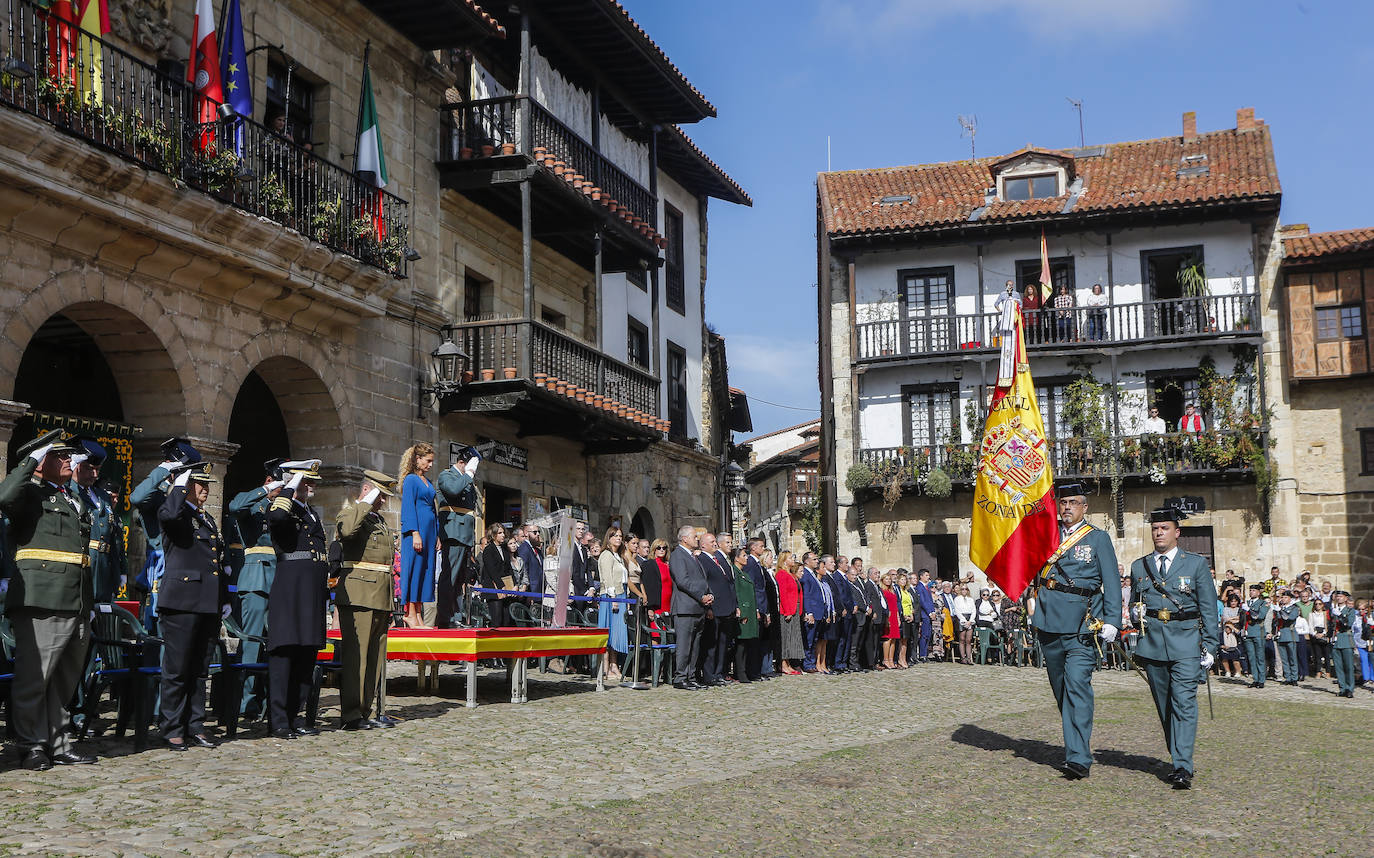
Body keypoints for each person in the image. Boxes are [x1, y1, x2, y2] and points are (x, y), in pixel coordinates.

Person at [0, 431, 98, 770]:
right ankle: (31, 745)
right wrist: (30, 461)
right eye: (61, 455)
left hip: (76, 598)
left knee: (64, 678)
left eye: (70, 455)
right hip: (42, 597)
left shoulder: (72, 498)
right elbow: (3, 496)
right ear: (42, 462)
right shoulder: (27, 493)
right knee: (35, 677)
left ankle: (58, 742)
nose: (71, 460)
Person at [1031, 482, 1121, 781]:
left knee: (1077, 688)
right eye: (1063, 502)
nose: (1066, 507)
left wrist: (1112, 620)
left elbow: (1111, 580)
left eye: (1073, 502)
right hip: (1048, 621)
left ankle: (1078, 758)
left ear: (1084, 507)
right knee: (1062, 691)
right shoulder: (1047, 533)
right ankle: (1076, 742)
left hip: (1082, 625)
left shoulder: (1097, 539)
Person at [1128, 507, 1219, 790]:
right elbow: (1134, 602)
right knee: (1165, 705)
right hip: (1153, 643)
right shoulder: (1139, 566)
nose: (1158, 533)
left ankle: (1182, 765)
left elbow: (1208, 608)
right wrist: (1134, 612)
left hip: (1187, 643)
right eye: (1155, 529)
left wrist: (1211, 646)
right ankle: (1177, 754)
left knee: (1184, 703)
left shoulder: (1195, 564)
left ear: (1176, 532)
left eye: (1164, 528)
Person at [157, 462, 230, 751]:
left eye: (206, 484)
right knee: (177, 668)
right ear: (185, 486)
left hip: (207, 602)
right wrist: (178, 485)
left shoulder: (206, 519)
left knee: (200, 669)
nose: (205, 489)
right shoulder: (175, 512)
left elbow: (215, 565)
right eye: (198, 484)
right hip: (182, 601)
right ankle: (172, 727)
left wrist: (224, 599)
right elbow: (169, 513)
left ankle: (194, 724)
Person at [266, 460, 329, 740]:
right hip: (290, 590)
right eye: (307, 481)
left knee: (306, 654)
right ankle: (278, 720)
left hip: (311, 590)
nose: (312, 486)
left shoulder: (311, 513)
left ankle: (295, 715)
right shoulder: (282, 507)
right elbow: (278, 519)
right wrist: (289, 487)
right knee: (285, 655)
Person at [335, 470, 398, 730]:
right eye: (379, 495)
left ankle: (365, 711)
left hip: (381, 596)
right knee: (356, 658)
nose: (383, 500)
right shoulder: (350, 512)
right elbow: (347, 531)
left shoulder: (379, 520)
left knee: (374, 658)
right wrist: (364, 503)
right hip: (359, 595)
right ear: (367, 490)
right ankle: (351, 714)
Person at [227, 459, 284, 721]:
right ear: (270, 480)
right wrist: (265, 491)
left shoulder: (283, 508)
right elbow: (235, 506)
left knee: (276, 644)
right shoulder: (253, 502)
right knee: (251, 643)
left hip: (280, 579)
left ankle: (269, 700)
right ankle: (245, 703)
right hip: (257, 576)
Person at [131, 438, 202, 631]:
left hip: (184, 568)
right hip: (163, 570)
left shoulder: (185, 495)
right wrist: (164, 469)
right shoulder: (157, 495)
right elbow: (136, 497)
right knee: (159, 631)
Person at [69, 439, 126, 604]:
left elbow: (113, 538)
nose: (94, 475)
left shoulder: (101, 496)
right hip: (83, 567)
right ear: (76, 465)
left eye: (97, 470)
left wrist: (118, 572)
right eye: (89, 469)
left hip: (104, 569)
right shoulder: (68, 492)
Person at [435, 446, 480, 628]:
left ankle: (456, 616)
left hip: (465, 535)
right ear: (462, 462)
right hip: (453, 532)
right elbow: (453, 490)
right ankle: (445, 618)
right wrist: (468, 474)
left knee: (460, 579)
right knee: (450, 577)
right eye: (470, 467)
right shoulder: (447, 475)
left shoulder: (466, 480)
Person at [397, 442, 437, 629]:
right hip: (417, 532)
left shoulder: (427, 482)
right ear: (417, 459)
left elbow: (433, 509)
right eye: (427, 461)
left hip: (429, 533)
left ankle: (418, 614)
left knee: (425, 572)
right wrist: (414, 533)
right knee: (414, 571)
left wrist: (436, 534)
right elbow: (408, 508)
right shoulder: (411, 480)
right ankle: (410, 613)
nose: (430, 465)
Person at [669, 526, 711, 690]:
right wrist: (701, 595)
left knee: (695, 647)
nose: (697, 539)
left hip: (698, 608)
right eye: (694, 536)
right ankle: (680, 677)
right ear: (684, 538)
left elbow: (703, 580)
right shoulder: (678, 555)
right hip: (685, 607)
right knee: (684, 646)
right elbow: (683, 581)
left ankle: (691, 676)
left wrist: (709, 594)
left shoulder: (693, 557)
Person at [696, 532, 736, 685]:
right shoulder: (701, 560)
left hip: (726, 608)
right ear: (703, 544)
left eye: (715, 541)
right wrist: (708, 608)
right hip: (714, 607)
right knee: (711, 644)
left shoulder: (717, 559)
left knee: (722, 644)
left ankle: (719, 673)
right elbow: (704, 583)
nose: (714, 544)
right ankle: (709, 674)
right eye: (711, 541)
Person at [597, 526, 631, 680]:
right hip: (612, 595)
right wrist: (613, 598)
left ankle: (614, 664)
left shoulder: (620, 557)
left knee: (617, 632)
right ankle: (605, 668)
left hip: (622, 594)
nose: (618, 538)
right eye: (615, 535)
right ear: (609, 538)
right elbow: (607, 576)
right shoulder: (606, 555)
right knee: (609, 632)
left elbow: (625, 579)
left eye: (620, 536)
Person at [731, 547, 760, 681]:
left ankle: (747, 671)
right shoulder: (735, 572)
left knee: (748, 643)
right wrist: (740, 610)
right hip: (743, 610)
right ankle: (740, 672)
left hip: (750, 610)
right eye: (743, 555)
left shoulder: (744, 573)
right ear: (736, 558)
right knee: (741, 644)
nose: (747, 557)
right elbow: (736, 592)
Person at [478, 522, 512, 629]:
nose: (503, 535)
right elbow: (491, 570)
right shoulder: (488, 550)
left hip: (506, 588)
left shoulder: (505, 549)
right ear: (493, 535)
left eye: (503, 533)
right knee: (497, 620)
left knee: (506, 620)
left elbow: (508, 568)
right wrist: (501, 585)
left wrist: (513, 584)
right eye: (500, 533)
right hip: (494, 588)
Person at [799, 552, 828, 673]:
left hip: (819, 612)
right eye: (814, 559)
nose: (817, 561)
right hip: (812, 612)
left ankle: (811, 662)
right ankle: (807, 663)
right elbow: (806, 595)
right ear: (807, 561)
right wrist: (809, 612)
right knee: (809, 639)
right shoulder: (805, 575)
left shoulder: (812, 575)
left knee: (814, 639)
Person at [775, 551, 802, 674]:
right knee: (786, 638)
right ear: (784, 560)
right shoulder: (781, 574)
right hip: (787, 610)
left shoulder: (790, 574)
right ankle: (783, 664)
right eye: (791, 558)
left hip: (794, 609)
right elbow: (783, 595)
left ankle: (788, 663)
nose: (793, 559)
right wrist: (787, 611)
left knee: (792, 637)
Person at [1330, 591, 1358, 697]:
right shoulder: (1333, 610)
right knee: (1338, 667)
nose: (1338, 598)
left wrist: (1340, 615)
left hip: (1346, 639)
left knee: (1348, 666)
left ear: (1346, 598)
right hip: (1336, 640)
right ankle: (1342, 688)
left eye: (1341, 596)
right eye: (1337, 596)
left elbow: (1348, 624)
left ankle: (1350, 689)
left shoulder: (1350, 611)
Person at [1241, 582, 1269, 688]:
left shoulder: (1263, 603)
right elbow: (1242, 619)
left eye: (1253, 590)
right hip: (1248, 632)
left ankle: (1261, 680)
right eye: (1250, 590)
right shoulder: (1247, 602)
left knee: (1260, 657)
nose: (1251, 592)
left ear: (1258, 592)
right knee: (1251, 657)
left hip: (1258, 631)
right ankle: (1255, 679)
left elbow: (1260, 616)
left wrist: (1249, 610)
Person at [1273, 588, 1300, 685]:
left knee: (1292, 657)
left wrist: (1280, 610)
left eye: (1285, 597)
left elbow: (1289, 618)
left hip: (1290, 634)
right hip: (1281, 634)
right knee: (1284, 658)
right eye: (1282, 597)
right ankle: (1288, 677)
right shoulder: (1280, 609)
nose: (1283, 599)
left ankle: (1294, 677)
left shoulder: (1294, 608)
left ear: (1290, 599)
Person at [1219, 593, 1244, 677]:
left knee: (1235, 655)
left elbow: (1240, 620)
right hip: (1226, 632)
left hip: (1236, 632)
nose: (1233, 603)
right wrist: (1234, 619)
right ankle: (1228, 671)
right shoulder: (1226, 609)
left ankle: (1238, 671)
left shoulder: (1239, 609)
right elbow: (1225, 619)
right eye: (1231, 601)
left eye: (1235, 601)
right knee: (1225, 654)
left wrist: (1231, 621)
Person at [879, 572, 900, 669]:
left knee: (894, 638)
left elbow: (895, 604)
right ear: (882, 580)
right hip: (888, 615)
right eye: (886, 579)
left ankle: (891, 659)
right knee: (888, 637)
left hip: (895, 615)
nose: (888, 581)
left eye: (889, 579)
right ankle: (885, 659)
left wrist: (898, 617)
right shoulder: (882, 591)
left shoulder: (892, 590)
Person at [915, 569, 937, 663]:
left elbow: (930, 601)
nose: (928, 577)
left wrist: (933, 612)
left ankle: (926, 654)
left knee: (928, 634)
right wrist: (929, 612)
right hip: (924, 614)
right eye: (927, 575)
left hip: (929, 614)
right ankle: (922, 654)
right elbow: (922, 602)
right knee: (924, 635)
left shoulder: (927, 587)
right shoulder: (919, 587)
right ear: (921, 576)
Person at [952, 584, 975, 664]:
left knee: (968, 640)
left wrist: (970, 620)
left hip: (969, 619)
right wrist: (964, 620)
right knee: (962, 639)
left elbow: (974, 610)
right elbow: (957, 610)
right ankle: (963, 658)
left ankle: (969, 658)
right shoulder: (957, 599)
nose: (964, 591)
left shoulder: (971, 599)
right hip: (961, 618)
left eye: (966, 589)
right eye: (962, 589)